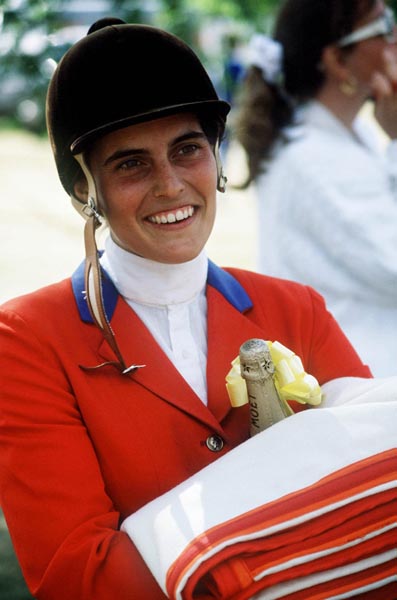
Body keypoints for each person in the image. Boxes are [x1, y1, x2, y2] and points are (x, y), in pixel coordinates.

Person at [0, 16, 389, 600]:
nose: (171, 185)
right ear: (85, 189)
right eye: (130, 163)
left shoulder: (297, 309)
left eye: (188, 150)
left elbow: (377, 489)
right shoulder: (27, 340)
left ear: (217, 158)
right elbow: (79, 575)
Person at [234, 0, 397, 377]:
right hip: (366, 391)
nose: (395, 38)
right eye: (383, 26)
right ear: (339, 61)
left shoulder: (340, 138)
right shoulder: (317, 157)